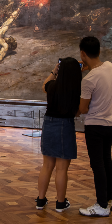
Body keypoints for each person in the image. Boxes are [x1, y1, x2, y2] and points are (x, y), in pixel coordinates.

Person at [77, 36, 112, 217]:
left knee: (97, 165)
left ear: (82, 54)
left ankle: (101, 205)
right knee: (107, 161)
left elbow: (83, 109)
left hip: (95, 126)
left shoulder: (88, 80)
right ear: (99, 51)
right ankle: (110, 199)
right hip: (110, 124)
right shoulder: (110, 66)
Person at [36, 57, 82, 213]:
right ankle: (60, 204)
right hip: (65, 125)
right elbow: (77, 112)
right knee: (62, 169)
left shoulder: (52, 86)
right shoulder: (76, 90)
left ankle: (41, 200)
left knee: (47, 165)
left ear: (60, 71)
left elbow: (44, 86)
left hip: (48, 124)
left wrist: (53, 72)